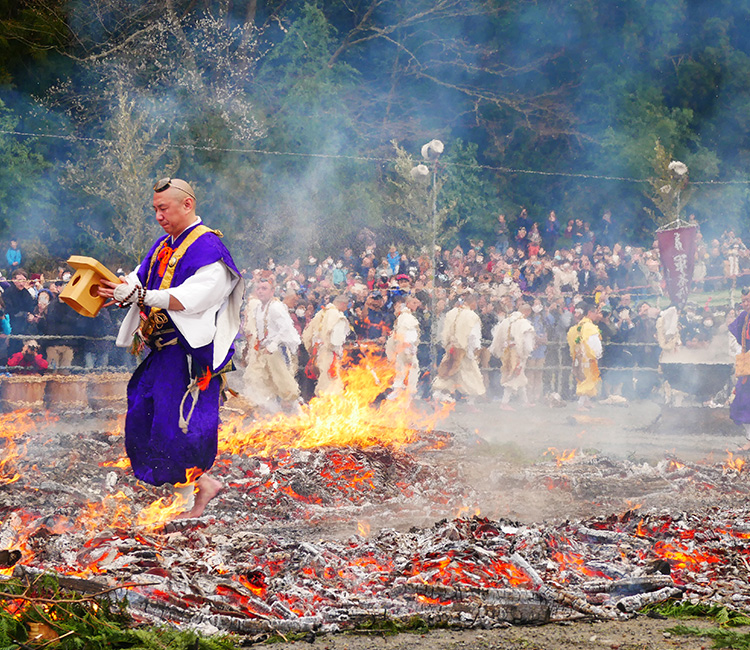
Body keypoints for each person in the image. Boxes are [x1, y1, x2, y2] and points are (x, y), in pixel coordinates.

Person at [98, 177, 244, 519]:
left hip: (189, 354)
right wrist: (118, 290)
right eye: (155, 210)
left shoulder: (208, 248)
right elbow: (138, 277)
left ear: (187, 205)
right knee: (143, 415)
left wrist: (141, 296)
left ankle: (187, 499)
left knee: (177, 423)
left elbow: (193, 299)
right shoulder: (163, 245)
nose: (159, 216)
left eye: (164, 208)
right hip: (162, 352)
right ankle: (198, 485)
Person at [241, 277, 302, 414]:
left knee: (285, 384)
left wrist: (273, 344)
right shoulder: (258, 308)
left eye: (264, 288)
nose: (260, 291)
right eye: (259, 288)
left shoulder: (276, 307)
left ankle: (300, 414)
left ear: (272, 291)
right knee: (264, 384)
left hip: (277, 351)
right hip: (264, 352)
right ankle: (273, 416)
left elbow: (286, 329)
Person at [432, 293, 486, 403]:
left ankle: (438, 394)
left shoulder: (451, 313)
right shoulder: (472, 316)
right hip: (464, 350)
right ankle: (470, 403)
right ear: (473, 303)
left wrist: (446, 345)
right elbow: (473, 336)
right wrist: (474, 350)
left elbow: (444, 330)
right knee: (472, 376)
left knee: (448, 371)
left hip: (451, 348)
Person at [301, 294, 351, 396]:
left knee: (321, 380)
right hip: (329, 354)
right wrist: (339, 353)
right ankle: (327, 407)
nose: (346, 308)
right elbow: (335, 341)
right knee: (330, 385)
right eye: (347, 305)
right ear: (342, 304)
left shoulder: (320, 313)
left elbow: (307, 335)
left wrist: (311, 350)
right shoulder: (338, 316)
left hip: (317, 353)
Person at [490, 302, 536, 409]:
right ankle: (504, 403)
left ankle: (525, 401)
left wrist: (500, 348)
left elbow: (497, 334)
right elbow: (527, 341)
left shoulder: (507, 320)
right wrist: (527, 352)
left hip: (507, 351)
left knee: (519, 376)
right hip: (517, 352)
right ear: (527, 312)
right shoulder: (523, 323)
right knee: (513, 375)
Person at [567, 302, 603, 409]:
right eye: (595, 312)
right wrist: (597, 354)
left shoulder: (579, 325)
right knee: (586, 378)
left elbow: (571, 338)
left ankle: (586, 401)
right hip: (587, 356)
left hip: (579, 355)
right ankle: (580, 404)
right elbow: (593, 342)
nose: (597, 315)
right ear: (590, 313)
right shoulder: (589, 326)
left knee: (585, 377)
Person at [385, 295, 421, 401]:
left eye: (417, 303)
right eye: (414, 303)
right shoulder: (407, 317)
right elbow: (408, 332)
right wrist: (409, 347)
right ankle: (407, 393)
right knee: (412, 369)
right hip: (406, 348)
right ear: (408, 303)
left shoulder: (402, 316)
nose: (416, 305)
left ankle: (397, 391)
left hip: (401, 347)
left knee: (401, 370)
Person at [728, 290, 750, 448]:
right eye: (744, 301)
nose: (746, 304)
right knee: (742, 400)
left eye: (748, 300)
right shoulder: (744, 317)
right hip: (748, 364)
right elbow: (734, 332)